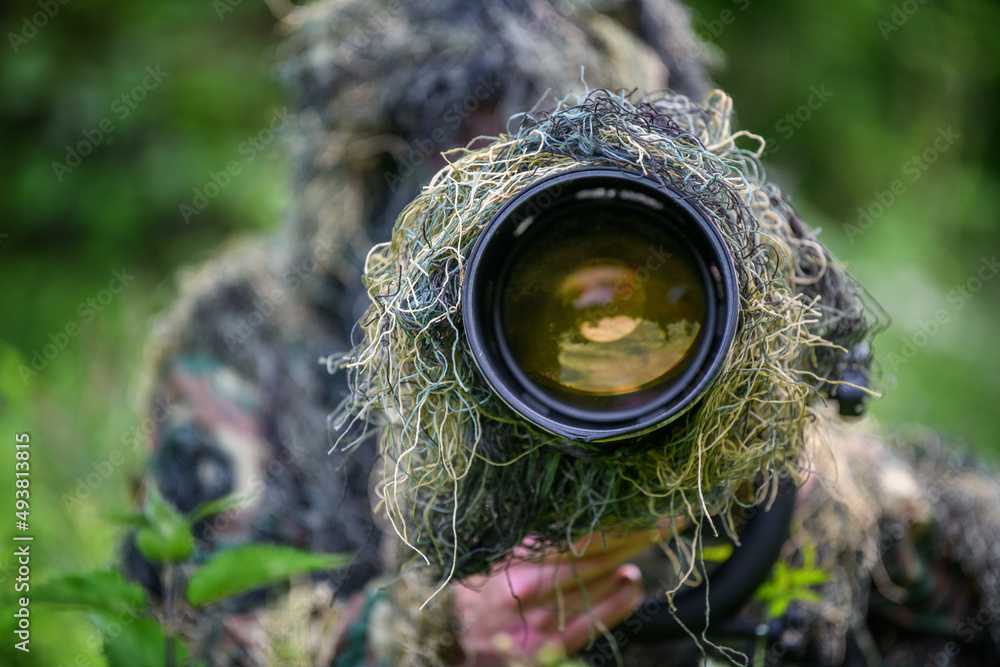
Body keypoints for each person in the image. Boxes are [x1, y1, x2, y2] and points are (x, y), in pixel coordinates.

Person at [123, 1, 1000, 665]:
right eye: (457, 159)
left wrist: (794, 485)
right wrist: (433, 632)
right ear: (373, 169)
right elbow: (201, 629)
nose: (498, 191)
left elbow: (953, 576)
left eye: (538, 144)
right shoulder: (252, 335)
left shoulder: (718, 309)